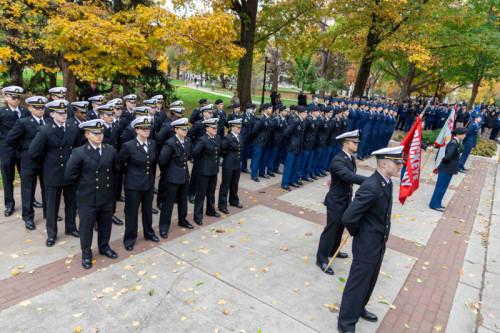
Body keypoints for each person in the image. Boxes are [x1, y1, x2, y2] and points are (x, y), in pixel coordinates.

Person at [337, 145, 404, 333]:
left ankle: (359, 308)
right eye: (397, 163)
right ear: (383, 163)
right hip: (367, 244)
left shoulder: (386, 181)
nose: (400, 166)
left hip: (378, 242)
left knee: (370, 279)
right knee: (357, 283)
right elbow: (349, 217)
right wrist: (360, 234)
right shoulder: (371, 186)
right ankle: (346, 323)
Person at [64, 119, 119, 269]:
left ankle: (104, 246)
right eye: (95, 133)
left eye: (101, 132)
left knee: (105, 224)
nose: (99, 136)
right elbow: (69, 175)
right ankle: (86, 253)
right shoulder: (79, 152)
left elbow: (116, 171)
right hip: (87, 197)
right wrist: (84, 187)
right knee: (86, 228)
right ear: (87, 134)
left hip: (106, 195)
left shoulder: (110, 150)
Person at [316, 130, 367, 276]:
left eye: (357, 142)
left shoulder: (349, 158)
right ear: (346, 143)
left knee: (340, 227)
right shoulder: (338, 160)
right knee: (331, 230)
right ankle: (321, 259)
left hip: (345, 199)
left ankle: (333, 251)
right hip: (336, 201)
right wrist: (369, 181)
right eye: (354, 142)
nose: (357, 145)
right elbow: (348, 176)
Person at [28, 100, 79, 247]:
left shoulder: (72, 127)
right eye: (60, 113)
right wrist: (47, 163)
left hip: (69, 172)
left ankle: (71, 228)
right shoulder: (45, 130)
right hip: (53, 172)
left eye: (65, 112)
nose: (64, 115)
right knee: (52, 206)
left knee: (71, 203)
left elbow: (76, 148)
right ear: (52, 114)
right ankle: (51, 234)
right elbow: (33, 152)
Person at [6, 96, 49, 230]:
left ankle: (49, 213)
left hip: (46, 161)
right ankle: (28, 217)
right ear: (30, 108)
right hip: (28, 161)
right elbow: (10, 139)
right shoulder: (23, 122)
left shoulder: (48, 121)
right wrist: (24, 150)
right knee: (28, 190)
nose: (40, 110)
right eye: (37, 108)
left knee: (47, 188)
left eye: (42, 107)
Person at [119, 116, 160, 251]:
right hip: (133, 186)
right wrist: (131, 173)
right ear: (136, 130)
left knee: (147, 211)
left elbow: (152, 163)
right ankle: (130, 238)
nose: (147, 130)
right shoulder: (128, 146)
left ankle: (149, 233)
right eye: (143, 128)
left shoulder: (152, 143)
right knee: (132, 213)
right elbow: (119, 164)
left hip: (148, 184)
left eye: (148, 128)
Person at [158, 118, 193, 238]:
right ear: (176, 130)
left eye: (186, 129)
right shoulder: (170, 143)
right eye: (182, 129)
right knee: (168, 203)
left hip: (184, 175)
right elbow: (162, 161)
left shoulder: (188, 141)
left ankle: (182, 220)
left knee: (183, 201)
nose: (185, 131)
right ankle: (163, 227)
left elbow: (187, 157)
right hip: (172, 177)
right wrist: (169, 173)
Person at [0, 86, 28, 217]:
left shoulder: (24, 111)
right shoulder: (1, 112)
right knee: (7, 178)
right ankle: (9, 204)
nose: (17, 100)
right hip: (7, 150)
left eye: (18, 97)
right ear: (6, 97)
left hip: (22, 150)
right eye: (13, 97)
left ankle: (29, 201)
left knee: (26, 177)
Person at [429, 128, 467, 211]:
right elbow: (447, 157)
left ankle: (436, 203)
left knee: (442, 187)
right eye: (464, 134)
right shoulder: (453, 143)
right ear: (458, 134)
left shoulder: (456, 142)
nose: (465, 136)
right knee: (441, 187)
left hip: (448, 169)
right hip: (446, 169)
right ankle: (434, 204)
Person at [192, 118, 221, 225]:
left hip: (214, 170)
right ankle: (197, 216)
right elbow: (195, 153)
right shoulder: (202, 139)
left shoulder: (217, 137)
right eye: (213, 128)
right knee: (200, 194)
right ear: (207, 128)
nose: (215, 129)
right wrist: (202, 162)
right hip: (203, 171)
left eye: (216, 127)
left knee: (211, 192)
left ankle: (210, 210)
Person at [218, 118, 244, 214]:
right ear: (232, 127)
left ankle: (234, 201)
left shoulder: (239, 137)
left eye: (240, 127)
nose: (239, 129)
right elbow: (221, 150)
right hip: (228, 164)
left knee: (234, 184)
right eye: (237, 127)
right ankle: (222, 205)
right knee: (225, 185)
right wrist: (227, 157)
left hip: (237, 164)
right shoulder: (228, 138)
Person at [281, 106, 307, 190]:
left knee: (295, 166)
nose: (306, 114)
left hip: (299, 147)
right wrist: (290, 143)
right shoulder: (294, 121)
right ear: (300, 113)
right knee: (289, 166)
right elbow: (286, 133)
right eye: (305, 113)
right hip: (292, 147)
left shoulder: (303, 121)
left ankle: (292, 181)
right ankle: (285, 183)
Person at [250, 103, 273, 182]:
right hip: (259, 143)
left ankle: (262, 173)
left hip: (266, 143)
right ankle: (254, 175)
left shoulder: (269, 119)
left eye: (271, 108)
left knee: (264, 159)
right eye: (269, 108)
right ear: (265, 109)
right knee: (256, 159)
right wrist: (258, 139)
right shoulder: (261, 119)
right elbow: (254, 131)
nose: (271, 110)